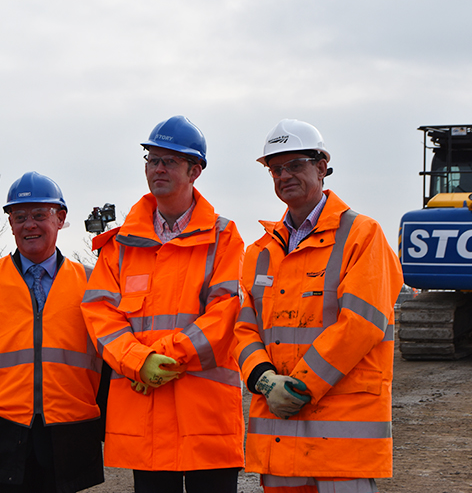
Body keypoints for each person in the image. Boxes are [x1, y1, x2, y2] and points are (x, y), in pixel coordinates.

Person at [234, 119, 403, 493]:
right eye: (276, 169)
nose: (284, 175)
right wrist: (264, 379)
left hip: (342, 443)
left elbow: (360, 324)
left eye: (295, 165)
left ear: (322, 167)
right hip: (278, 437)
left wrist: (298, 387)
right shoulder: (259, 252)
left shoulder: (362, 236)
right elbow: (243, 329)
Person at [81, 115, 245, 493]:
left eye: (169, 161)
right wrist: (138, 361)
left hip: (204, 418)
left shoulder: (223, 237)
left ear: (195, 171)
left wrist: (166, 357)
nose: (158, 168)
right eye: (152, 160)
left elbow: (225, 311)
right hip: (147, 419)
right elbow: (99, 313)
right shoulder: (120, 244)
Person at [0, 171, 105, 493]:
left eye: (39, 215)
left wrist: (100, 422)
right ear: (10, 223)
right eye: (20, 216)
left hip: (68, 438)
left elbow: (109, 355)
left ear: (60, 219)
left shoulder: (93, 284)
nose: (29, 224)